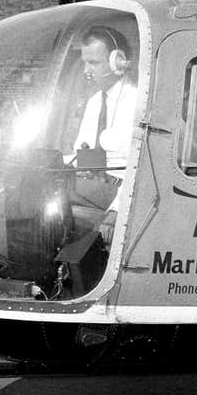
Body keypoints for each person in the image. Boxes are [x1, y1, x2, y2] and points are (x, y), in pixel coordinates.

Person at [71, 26, 136, 244]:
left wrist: (118, 210)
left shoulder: (139, 102)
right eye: (85, 62)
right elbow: (81, 155)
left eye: (94, 63)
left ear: (117, 61)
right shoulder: (94, 102)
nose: (86, 71)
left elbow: (145, 170)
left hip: (121, 193)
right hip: (93, 188)